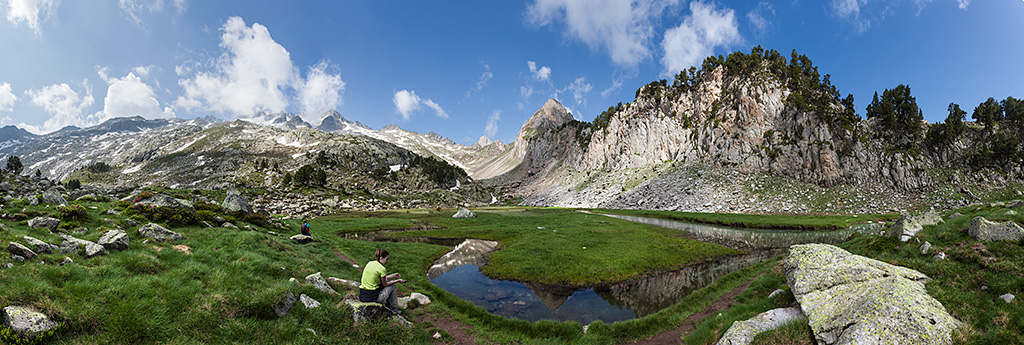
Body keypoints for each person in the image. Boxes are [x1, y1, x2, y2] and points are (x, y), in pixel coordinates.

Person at [359, 248, 406, 314]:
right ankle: (393, 307)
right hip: (373, 298)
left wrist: (393, 275)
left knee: (386, 280)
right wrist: (397, 281)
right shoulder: (382, 269)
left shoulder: (370, 263)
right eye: (386, 259)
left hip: (363, 296)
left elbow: (379, 277)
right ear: (381, 258)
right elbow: (385, 284)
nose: (387, 261)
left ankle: (389, 304)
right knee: (393, 285)